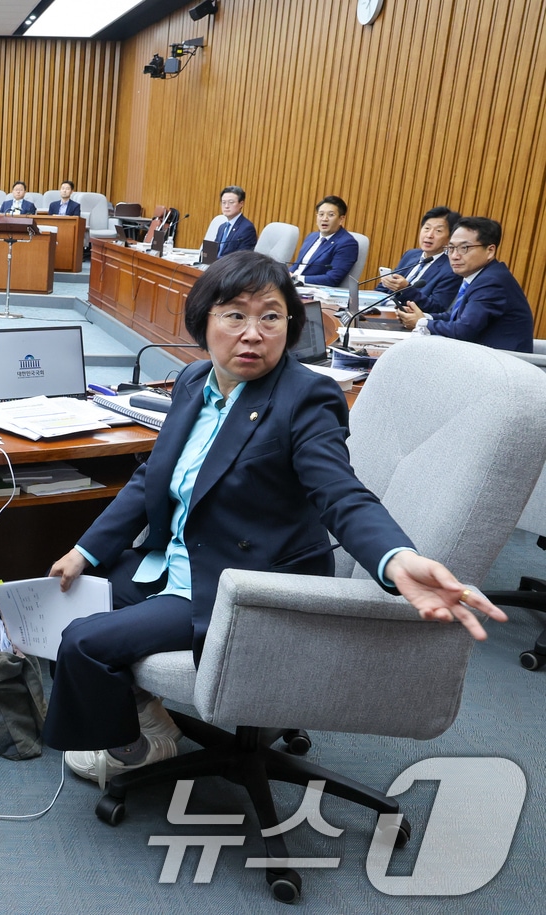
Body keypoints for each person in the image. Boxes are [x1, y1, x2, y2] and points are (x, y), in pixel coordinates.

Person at [41, 250, 505, 787]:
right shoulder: (195, 381)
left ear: (290, 324)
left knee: (83, 641)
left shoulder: (307, 398)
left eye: (270, 316)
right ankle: (144, 705)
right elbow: (153, 477)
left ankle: (136, 745)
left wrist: (395, 557)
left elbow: (340, 492)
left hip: (243, 581)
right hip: (180, 558)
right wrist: (85, 550)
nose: (253, 333)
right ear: (203, 322)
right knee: (65, 598)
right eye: (234, 314)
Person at [397, 217, 533, 352]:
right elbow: (455, 317)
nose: (455, 256)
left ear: (490, 251)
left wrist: (420, 323)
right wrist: (423, 316)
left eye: (464, 248)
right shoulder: (479, 275)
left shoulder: (492, 282)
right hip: (481, 356)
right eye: (451, 248)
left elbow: (463, 330)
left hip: (502, 364)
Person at [376, 206, 459, 314]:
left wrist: (406, 289)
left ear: (450, 238)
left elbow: (436, 308)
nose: (429, 235)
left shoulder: (451, 269)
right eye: (427, 228)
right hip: (382, 311)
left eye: (438, 231)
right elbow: (382, 290)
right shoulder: (411, 255)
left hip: (408, 319)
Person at [289, 195, 357, 286]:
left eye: (331, 215)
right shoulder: (312, 237)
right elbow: (296, 266)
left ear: (341, 219)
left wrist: (296, 278)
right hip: (291, 285)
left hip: (312, 290)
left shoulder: (347, 244)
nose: (324, 219)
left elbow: (332, 278)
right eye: (321, 214)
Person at [212, 185, 257, 258]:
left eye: (231, 202)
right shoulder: (222, 227)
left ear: (241, 204)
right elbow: (213, 252)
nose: (226, 206)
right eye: (223, 202)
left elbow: (241, 259)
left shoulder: (247, 228)